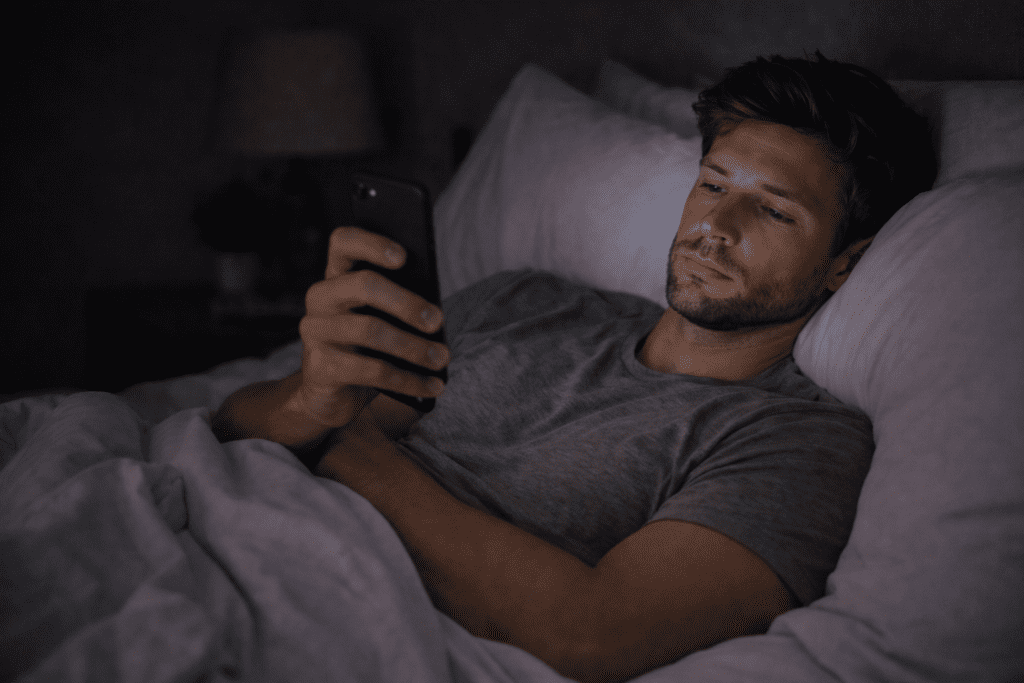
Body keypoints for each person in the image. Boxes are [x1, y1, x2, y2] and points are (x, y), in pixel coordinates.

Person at [212, 52, 936, 682]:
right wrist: (311, 401)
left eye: (774, 211)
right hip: (228, 533)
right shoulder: (523, 299)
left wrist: (344, 450)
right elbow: (236, 421)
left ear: (844, 263)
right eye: (714, 186)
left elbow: (592, 635)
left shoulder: (797, 441)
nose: (716, 228)